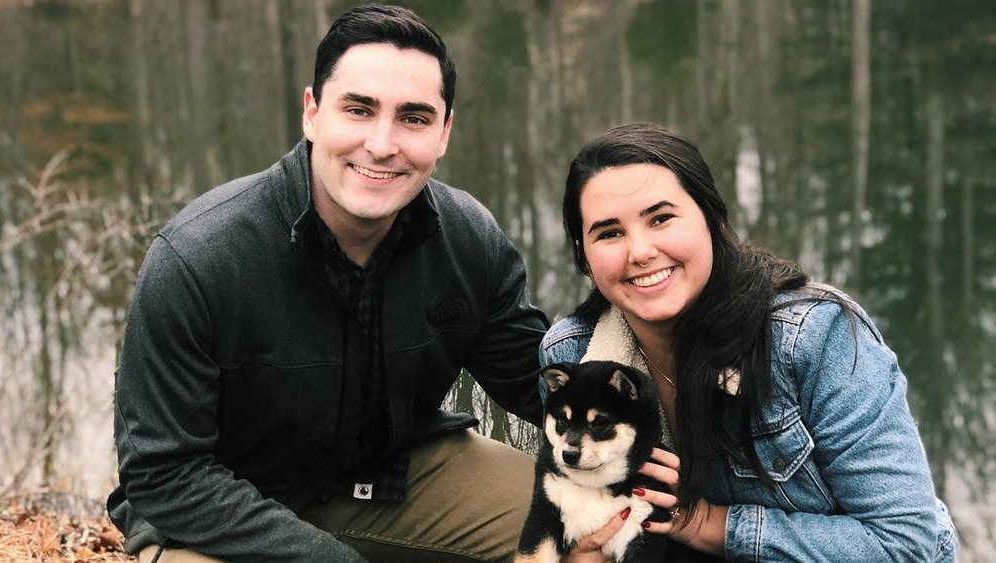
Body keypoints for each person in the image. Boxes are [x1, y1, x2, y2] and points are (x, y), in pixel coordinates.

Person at [106, 4, 549, 562]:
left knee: (582, 527)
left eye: (413, 118)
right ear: (312, 113)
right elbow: (164, 474)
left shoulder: (467, 239)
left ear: (444, 132)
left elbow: (543, 383)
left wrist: (671, 383)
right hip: (211, 512)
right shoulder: (198, 257)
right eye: (359, 110)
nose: (383, 144)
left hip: (384, 477)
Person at [540, 122, 959, 562]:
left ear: (712, 219)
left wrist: (711, 524)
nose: (640, 251)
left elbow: (907, 544)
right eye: (609, 233)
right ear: (582, 255)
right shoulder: (571, 358)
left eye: (661, 218)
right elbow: (571, 515)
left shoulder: (813, 338)